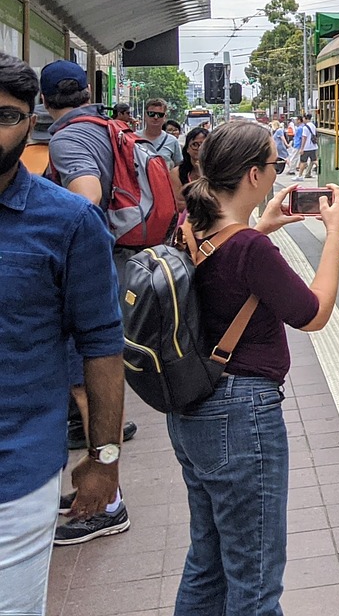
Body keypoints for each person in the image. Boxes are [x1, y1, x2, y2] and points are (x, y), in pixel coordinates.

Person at [166, 119, 339, 614]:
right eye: (274, 163)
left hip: (192, 411)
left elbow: (221, 271)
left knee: (207, 561)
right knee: (256, 579)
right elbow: (313, 314)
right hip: (241, 416)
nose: (279, 171)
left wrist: (261, 225)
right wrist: (335, 233)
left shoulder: (191, 226)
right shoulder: (250, 249)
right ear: (252, 175)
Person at [0, 54, 124, 614]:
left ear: (34, 122)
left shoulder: (67, 222)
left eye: (5, 116)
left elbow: (102, 346)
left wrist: (104, 458)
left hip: (16, 478)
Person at [41, 59, 136, 545]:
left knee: (86, 383)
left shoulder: (66, 138)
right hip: (119, 259)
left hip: (91, 268)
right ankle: (99, 484)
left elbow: (85, 197)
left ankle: (109, 499)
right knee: (94, 375)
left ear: (42, 102)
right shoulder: (108, 127)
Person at [170, 126, 209, 211]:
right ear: (187, 148)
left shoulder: (218, 171)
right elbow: (178, 204)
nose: (199, 149)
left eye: (204, 145)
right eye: (195, 145)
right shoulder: (176, 173)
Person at [136, 97, 181, 167]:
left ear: (165, 117)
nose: (156, 117)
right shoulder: (134, 138)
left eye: (160, 115)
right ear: (145, 115)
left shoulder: (172, 141)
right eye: (151, 114)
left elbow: (179, 167)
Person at [298, 112, 319, 178]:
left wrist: (302, 148)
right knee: (314, 160)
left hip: (306, 147)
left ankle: (299, 176)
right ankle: (321, 169)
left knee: (303, 161)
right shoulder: (313, 125)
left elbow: (304, 137)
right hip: (313, 146)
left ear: (305, 118)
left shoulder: (305, 127)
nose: (303, 119)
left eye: (303, 118)